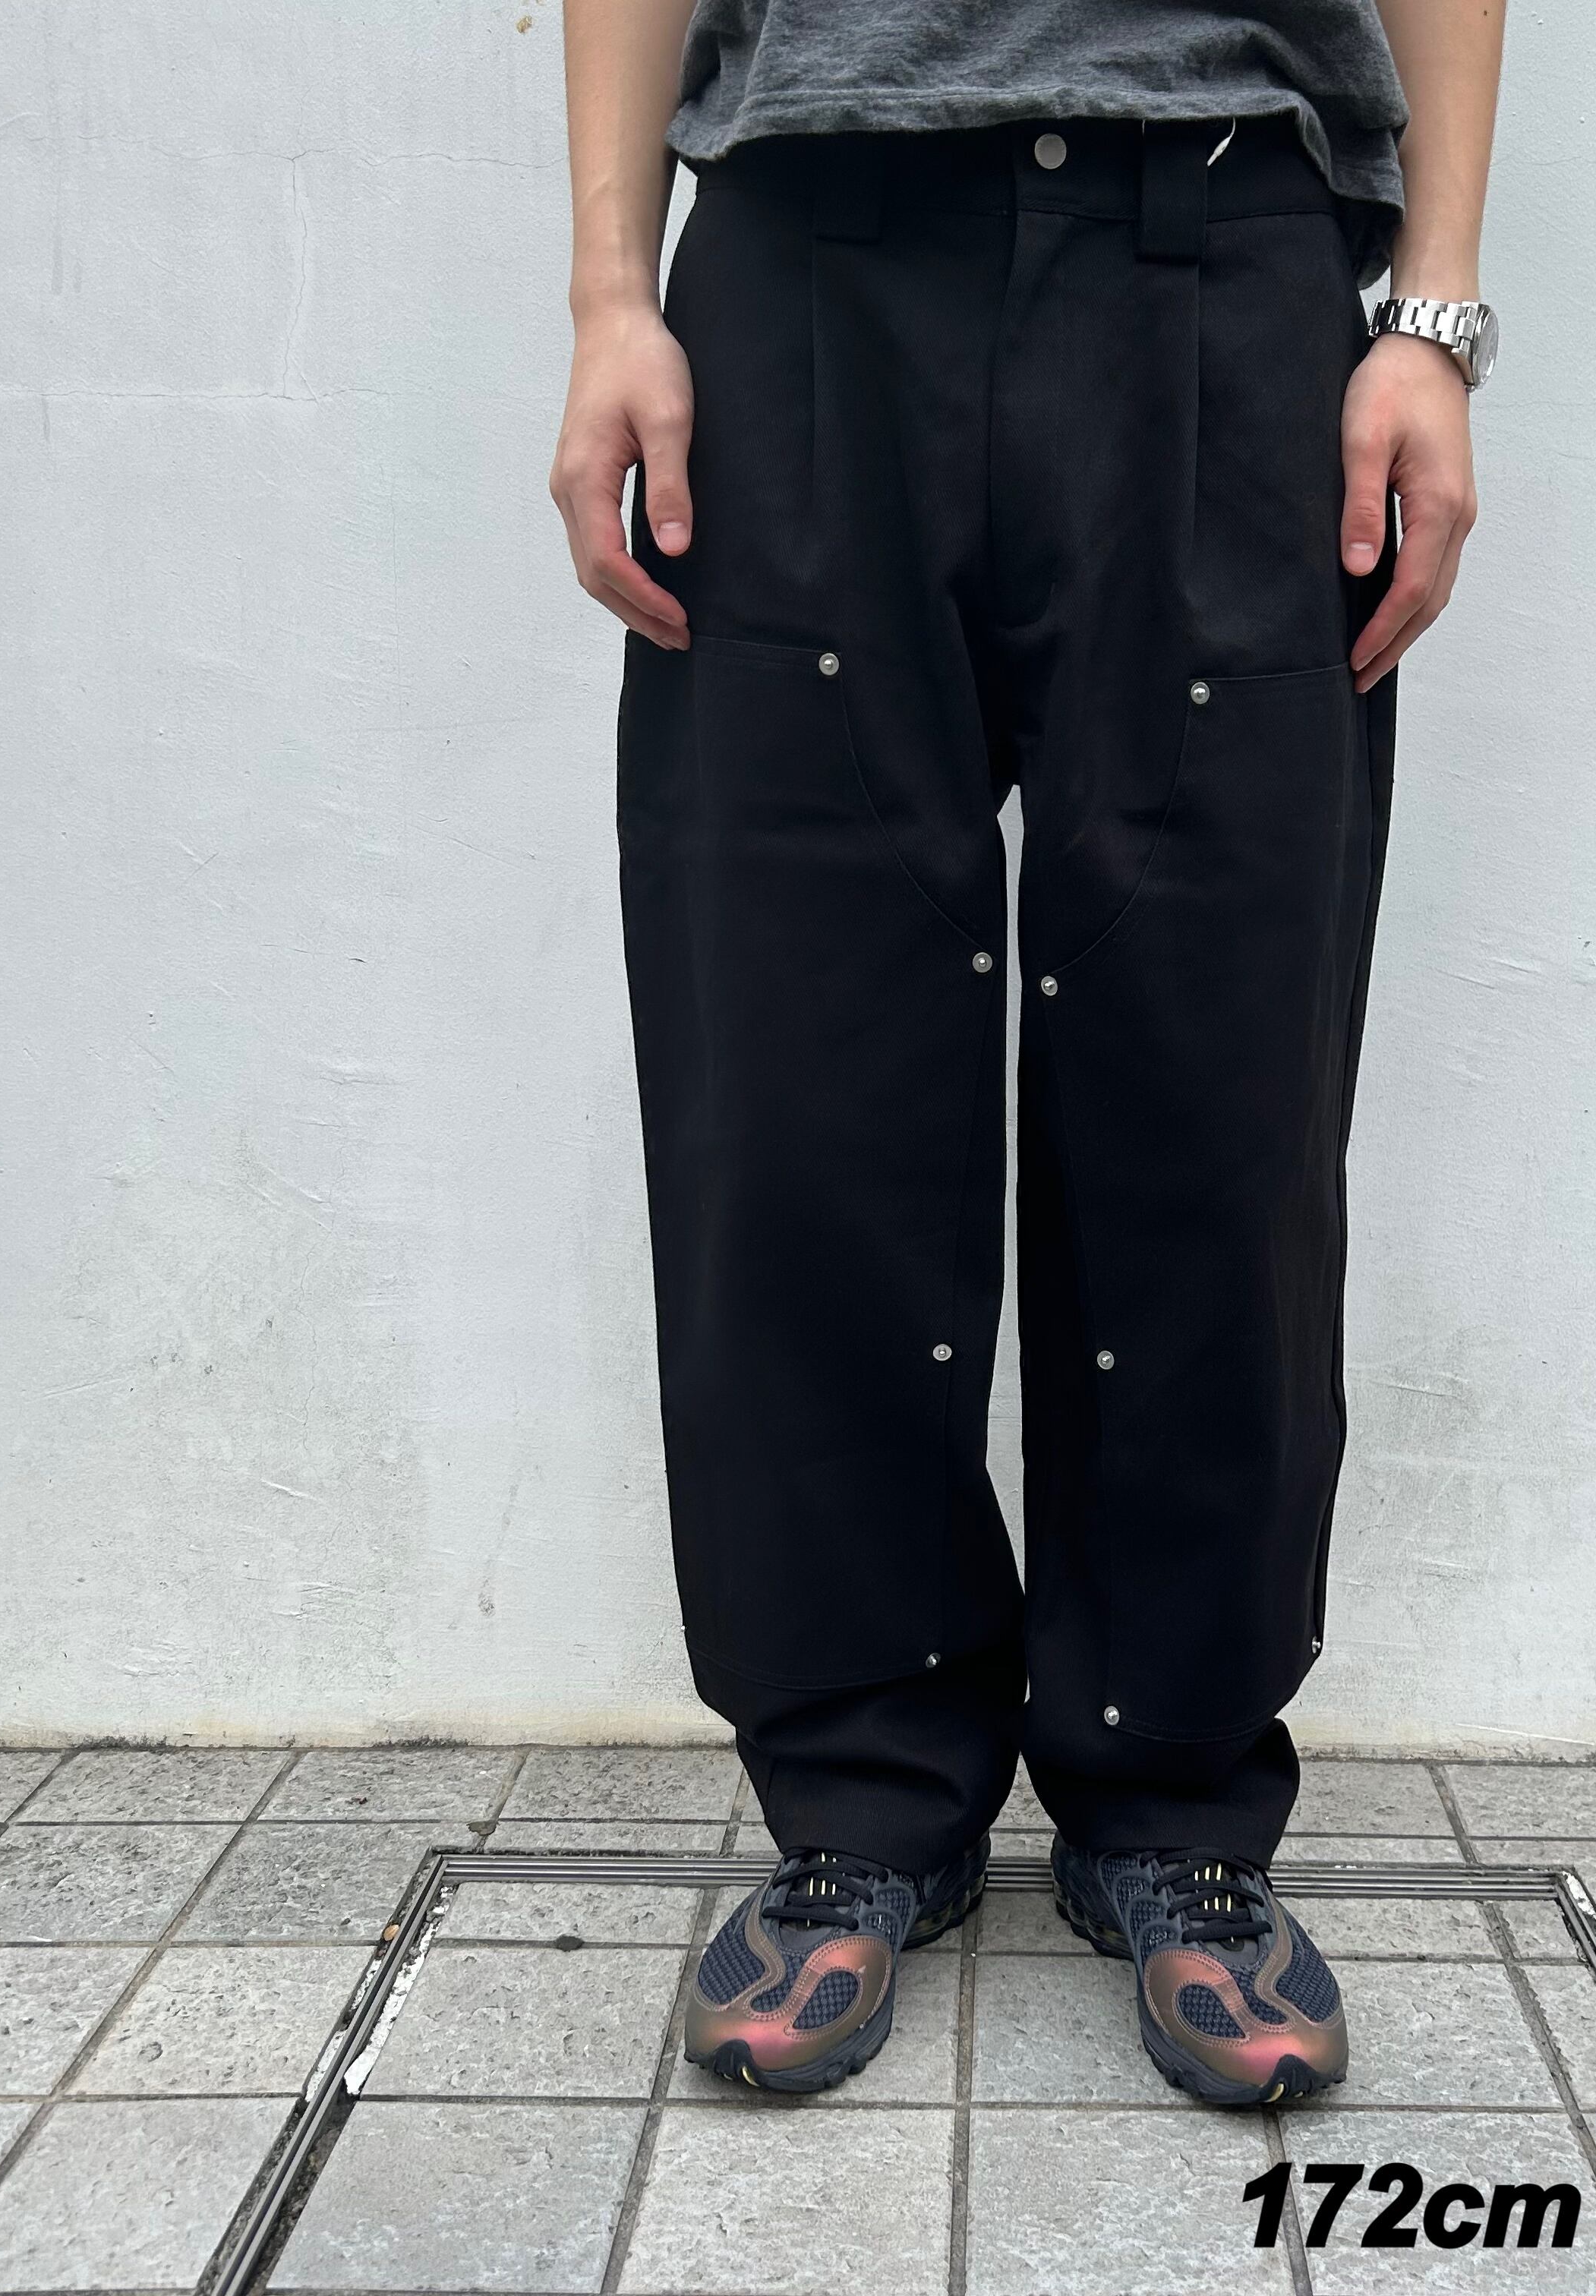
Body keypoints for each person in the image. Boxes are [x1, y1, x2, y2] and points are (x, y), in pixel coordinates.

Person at [551, 0, 1503, 2106]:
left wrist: (1430, 317)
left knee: (1218, 1076)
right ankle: (858, 1797)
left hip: (1226, 256)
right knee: (793, 1065)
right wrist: (614, 292)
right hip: (806, 259)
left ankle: (1175, 1803)